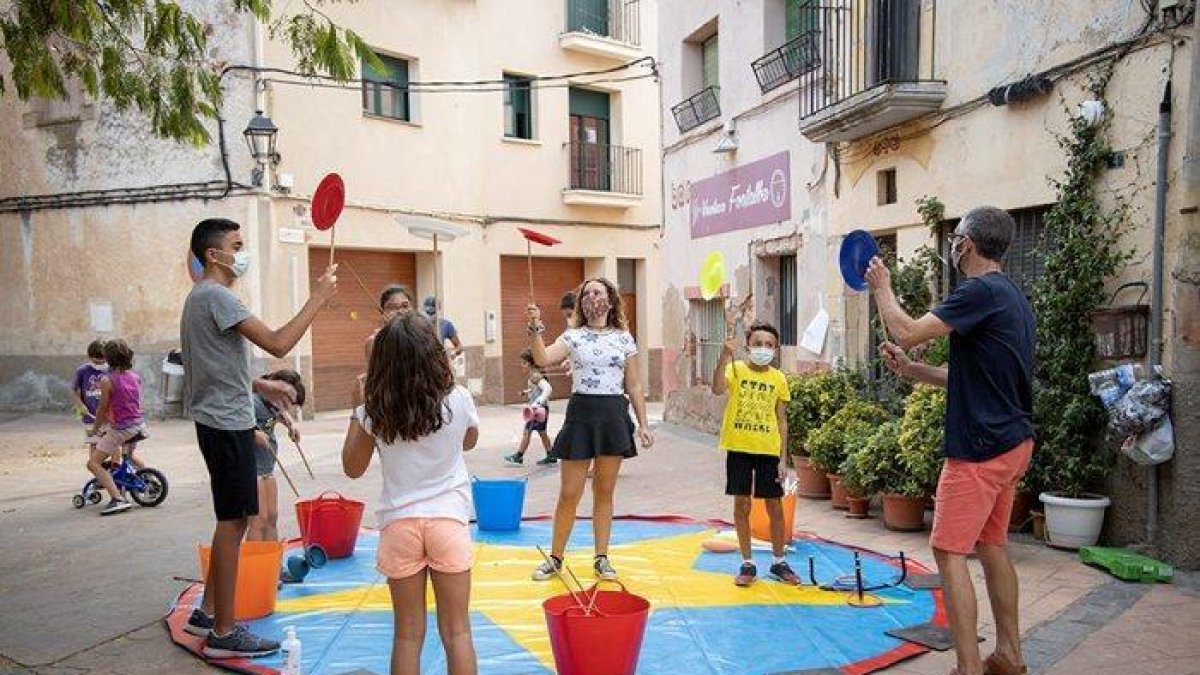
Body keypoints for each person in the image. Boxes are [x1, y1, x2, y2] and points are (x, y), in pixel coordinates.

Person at [866, 206, 1034, 675]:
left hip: (979, 449)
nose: (952, 244)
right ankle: (1009, 656)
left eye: (956, 236)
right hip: (1014, 443)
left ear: (969, 244)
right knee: (992, 545)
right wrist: (912, 369)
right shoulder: (1011, 298)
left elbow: (906, 328)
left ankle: (968, 668)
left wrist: (882, 288)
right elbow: (972, 376)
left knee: (949, 551)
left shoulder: (978, 291)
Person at [181, 217, 337, 658]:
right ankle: (225, 633)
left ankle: (207, 612)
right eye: (237, 244)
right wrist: (318, 299)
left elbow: (214, 365)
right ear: (214, 255)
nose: (242, 252)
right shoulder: (217, 295)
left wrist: (261, 385)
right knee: (236, 524)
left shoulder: (200, 298)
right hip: (227, 424)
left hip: (218, 418)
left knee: (228, 521)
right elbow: (278, 343)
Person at [342, 314, 479, 675]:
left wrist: (359, 408)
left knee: (406, 635)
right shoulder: (459, 398)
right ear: (435, 353)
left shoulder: (376, 407)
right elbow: (470, 441)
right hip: (448, 520)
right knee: (457, 631)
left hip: (399, 525)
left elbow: (352, 468)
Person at [525, 277, 654, 582]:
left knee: (604, 491)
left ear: (610, 299)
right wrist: (535, 329)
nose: (590, 297)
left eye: (597, 292)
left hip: (613, 416)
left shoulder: (624, 338)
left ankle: (601, 558)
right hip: (581, 414)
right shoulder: (573, 336)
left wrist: (644, 423)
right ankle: (555, 558)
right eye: (586, 293)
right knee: (569, 492)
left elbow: (633, 384)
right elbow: (542, 358)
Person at [711, 320, 797, 586]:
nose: (763, 349)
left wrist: (783, 459)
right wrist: (724, 356)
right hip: (738, 447)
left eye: (769, 345)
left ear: (776, 350)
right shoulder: (735, 370)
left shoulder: (779, 378)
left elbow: (781, 419)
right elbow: (716, 389)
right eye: (758, 344)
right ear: (747, 346)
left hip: (768, 451)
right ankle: (748, 563)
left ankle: (779, 561)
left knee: (774, 506)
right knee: (742, 504)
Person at [85, 339, 146, 516]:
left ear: (108, 359)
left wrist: (95, 430)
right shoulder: (135, 377)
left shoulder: (107, 380)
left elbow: (102, 408)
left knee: (94, 463)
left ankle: (118, 499)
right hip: (139, 425)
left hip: (121, 429)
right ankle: (148, 480)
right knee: (129, 456)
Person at [246, 369, 305, 545]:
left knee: (272, 517)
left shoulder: (272, 404)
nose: (286, 406)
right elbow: (232, 423)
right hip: (251, 468)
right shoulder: (252, 402)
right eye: (285, 399)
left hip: (267, 467)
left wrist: (290, 425)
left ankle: (273, 563)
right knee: (258, 519)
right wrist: (252, 433)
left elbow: (279, 414)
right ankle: (255, 566)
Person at [504, 349, 556, 467]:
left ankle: (519, 456)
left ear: (531, 364)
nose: (522, 365)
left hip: (538, 411)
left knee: (527, 432)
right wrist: (526, 392)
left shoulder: (535, 376)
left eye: (524, 363)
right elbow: (536, 389)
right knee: (542, 432)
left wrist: (537, 403)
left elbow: (548, 389)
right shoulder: (534, 375)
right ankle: (551, 454)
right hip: (541, 409)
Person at [365, 284, 416, 361]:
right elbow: (373, 372)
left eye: (405, 306)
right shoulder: (374, 342)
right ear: (382, 312)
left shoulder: (422, 338)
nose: (400, 311)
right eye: (392, 307)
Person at [72, 340, 107, 428]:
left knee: (107, 441)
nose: (100, 363)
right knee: (93, 440)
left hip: (107, 418)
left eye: (102, 361)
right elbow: (74, 391)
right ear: (89, 357)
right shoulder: (82, 371)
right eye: (96, 362)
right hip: (89, 416)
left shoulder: (111, 371)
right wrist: (80, 405)